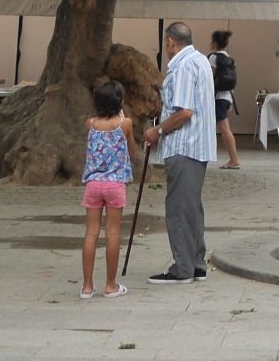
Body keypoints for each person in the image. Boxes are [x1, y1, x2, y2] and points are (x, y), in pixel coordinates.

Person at [143, 22, 215, 284]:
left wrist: (157, 131)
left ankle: (183, 268)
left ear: (170, 42)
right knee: (191, 206)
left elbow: (184, 111)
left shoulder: (183, 66)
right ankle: (196, 263)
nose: (167, 49)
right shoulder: (200, 61)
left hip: (185, 145)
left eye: (166, 44)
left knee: (179, 208)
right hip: (198, 146)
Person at [80, 79, 133, 299]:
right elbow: (131, 148)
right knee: (112, 233)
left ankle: (87, 286)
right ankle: (110, 284)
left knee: (91, 233)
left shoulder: (89, 124)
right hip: (115, 184)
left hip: (93, 184)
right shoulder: (125, 124)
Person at [210, 29, 242, 169]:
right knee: (224, 129)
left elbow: (209, 79)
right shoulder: (230, 59)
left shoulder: (213, 58)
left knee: (225, 130)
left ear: (214, 43)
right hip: (227, 97)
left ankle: (234, 160)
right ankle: (232, 159)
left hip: (217, 98)